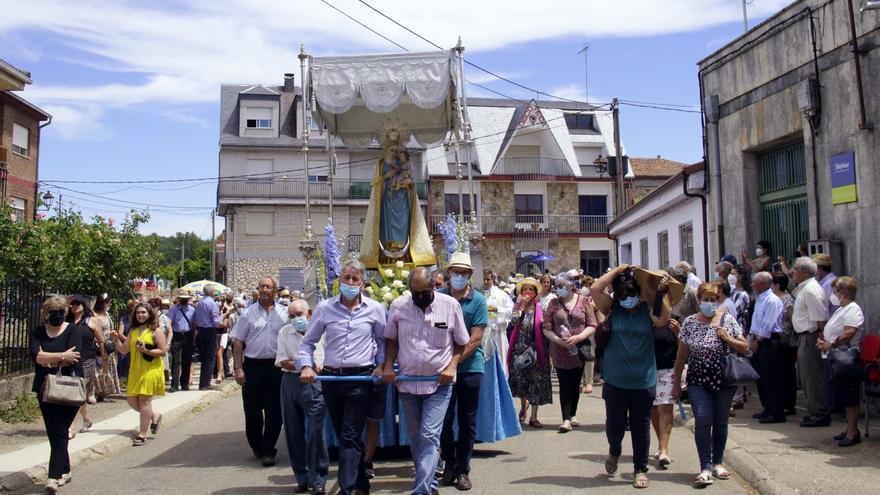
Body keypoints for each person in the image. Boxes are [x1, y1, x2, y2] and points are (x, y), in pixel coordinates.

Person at [298, 260, 387, 495]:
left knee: (349, 435)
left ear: (362, 283)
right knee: (343, 435)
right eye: (346, 277)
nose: (350, 282)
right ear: (339, 281)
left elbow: (382, 341)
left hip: (360, 379)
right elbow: (307, 342)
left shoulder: (375, 309)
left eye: (354, 279)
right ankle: (361, 481)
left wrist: (380, 365)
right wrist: (306, 366)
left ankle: (345, 490)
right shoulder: (325, 308)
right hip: (331, 380)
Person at [384, 266, 469, 495]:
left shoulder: (450, 306)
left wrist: (452, 366)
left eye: (424, 292)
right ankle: (430, 485)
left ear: (434, 286)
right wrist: (387, 366)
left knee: (429, 435)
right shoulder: (399, 306)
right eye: (415, 293)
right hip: (408, 383)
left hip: (438, 385)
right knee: (417, 438)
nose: (419, 297)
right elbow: (391, 340)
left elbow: (462, 342)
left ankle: (420, 490)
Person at [591, 264, 671, 489]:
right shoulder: (612, 309)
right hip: (616, 380)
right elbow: (596, 289)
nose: (628, 298)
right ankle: (614, 452)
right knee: (615, 425)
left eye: (631, 293)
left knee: (641, 426)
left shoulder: (647, 310)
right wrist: (617, 271)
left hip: (643, 380)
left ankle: (640, 468)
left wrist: (656, 288)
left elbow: (663, 319)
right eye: (623, 294)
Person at [672, 283, 748, 487]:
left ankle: (718, 463)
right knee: (703, 418)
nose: (709, 303)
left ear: (718, 300)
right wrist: (676, 383)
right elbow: (681, 355)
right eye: (705, 299)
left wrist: (726, 337)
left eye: (713, 300)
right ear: (699, 300)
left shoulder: (727, 320)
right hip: (698, 379)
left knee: (720, 421)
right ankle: (705, 466)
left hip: (723, 379)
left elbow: (744, 346)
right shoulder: (689, 322)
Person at [437, 253, 489, 491]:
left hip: (469, 368)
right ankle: (448, 462)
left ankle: (463, 469)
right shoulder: (438, 297)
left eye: (464, 273)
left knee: (467, 421)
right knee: (444, 419)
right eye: (455, 272)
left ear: (470, 275)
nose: (459, 276)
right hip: (441, 368)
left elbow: (476, 337)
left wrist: (454, 362)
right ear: (449, 273)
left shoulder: (477, 300)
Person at [231, 276, 288, 466]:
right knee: (252, 410)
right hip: (253, 366)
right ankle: (256, 444)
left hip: (276, 367)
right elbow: (238, 341)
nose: (264, 289)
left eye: (268, 286)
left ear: (275, 291)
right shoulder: (248, 314)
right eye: (261, 286)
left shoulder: (284, 313)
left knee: (275, 411)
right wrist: (238, 368)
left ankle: (268, 449)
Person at [31, 295, 82, 493]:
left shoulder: (72, 330)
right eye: (53, 313)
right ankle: (66, 469)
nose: (57, 316)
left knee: (60, 429)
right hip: (44, 388)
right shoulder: (38, 332)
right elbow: (37, 357)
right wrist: (61, 356)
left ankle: (53, 476)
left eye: (60, 312)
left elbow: (74, 358)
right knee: (53, 431)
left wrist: (49, 360)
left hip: (67, 388)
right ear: (45, 314)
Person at [276, 299, 328, 494]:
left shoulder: (322, 332)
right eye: (292, 315)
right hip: (290, 382)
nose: (296, 318)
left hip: (315, 384)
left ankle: (318, 479)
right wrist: (304, 365)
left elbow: (323, 361)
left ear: (309, 313)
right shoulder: (284, 332)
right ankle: (302, 478)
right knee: (293, 432)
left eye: (299, 314)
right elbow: (282, 361)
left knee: (316, 432)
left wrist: (306, 365)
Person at [542, 272, 597, 433]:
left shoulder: (584, 301)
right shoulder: (553, 303)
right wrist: (557, 340)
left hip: (578, 349)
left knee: (575, 383)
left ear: (572, 286)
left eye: (561, 286)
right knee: (564, 383)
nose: (558, 289)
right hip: (559, 350)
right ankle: (565, 418)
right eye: (557, 286)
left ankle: (573, 413)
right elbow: (546, 327)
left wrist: (579, 337)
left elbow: (592, 324)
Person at [111, 301, 168, 446]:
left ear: (149, 314)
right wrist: (116, 340)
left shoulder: (156, 331)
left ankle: (142, 433)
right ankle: (154, 415)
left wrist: (146, 350)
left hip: (150, 370)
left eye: (143, 312)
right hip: (135, 370)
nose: (140, 315)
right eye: (138, 313)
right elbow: (124, 350)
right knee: (131, 399)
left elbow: (163, 351)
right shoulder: (133, 331)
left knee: (144, 401)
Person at [817, 276, 865, 446]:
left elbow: (849, 333)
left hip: (847, 358)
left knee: (850, 395)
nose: (834, 294)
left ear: (843, 293)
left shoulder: (853, 309)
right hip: (835, 356)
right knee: (843, 395)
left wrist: (832, 343)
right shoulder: (841, 308)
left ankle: (853, 431)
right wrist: (824, 342)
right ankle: (848, 428)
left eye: (836, 291)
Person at [506, 277, 552, 428]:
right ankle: (523, 404)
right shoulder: (517, 308)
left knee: (535, 383)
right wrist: (521, 308)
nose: (527, 292)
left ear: (535, 292)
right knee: (521, 382)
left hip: (536, 350)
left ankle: (534, 416)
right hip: (519, 350)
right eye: (525, 289)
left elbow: (544, 329)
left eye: (530, 289)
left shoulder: (540, 309)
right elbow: (514, 323)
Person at [791, 257, 830, 427]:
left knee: (812, 377)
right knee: (806, 378)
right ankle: (814, 410)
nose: (793, 272)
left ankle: (819, 412)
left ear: (805, 272)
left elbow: (820, 320)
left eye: (796, 269)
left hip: (811, 337)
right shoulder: (805, 289)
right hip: (803, 336)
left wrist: (822, 341)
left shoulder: (811, 290)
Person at [749, 272, 785, 423]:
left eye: (755, 282)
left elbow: (768, 325)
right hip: (757, 339)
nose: (752, 285)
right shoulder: (759, 299)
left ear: (764, 284)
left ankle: (776, 411)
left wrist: (758, 340)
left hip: (768, 341)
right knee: (762, 377)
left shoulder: (772, 300)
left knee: (771, 378)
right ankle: (767, 407)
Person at [67, 295, 103, 435]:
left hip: (87, 360)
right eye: (73, 304)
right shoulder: (67, 321)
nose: (74, 306)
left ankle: (70, 426)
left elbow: (100, 341)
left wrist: (104, 361)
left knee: (76, 390)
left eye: (77, 303)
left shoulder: (91, 321)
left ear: (83, 305)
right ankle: (86, 419)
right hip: (71, 359)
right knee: (76, 392)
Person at [772, 272, 798, 415]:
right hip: (775, 338)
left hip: (786, 339)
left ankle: (789, 403)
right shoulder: (772, 298)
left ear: (777, 285)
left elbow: (791, 318)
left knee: (787, 372)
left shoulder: (787, 299)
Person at [194, 285, 226, 390]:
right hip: (210, 330)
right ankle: (206, 383)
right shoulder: (212, 304)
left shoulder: (199, 303)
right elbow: (216, 321)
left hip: (201, 330)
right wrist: (224, 317)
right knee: (210, 357)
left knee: (204, 357)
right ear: (212, 291)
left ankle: (202, 383)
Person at [92, 293, 120, 398]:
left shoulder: (107, 314)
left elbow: (111, 328)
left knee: (108, 368)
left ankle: (106, 390)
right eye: (108, 302)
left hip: (108, 344)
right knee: (98, 368)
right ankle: (97, 390)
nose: (109, 304)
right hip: (98, 344)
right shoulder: (94, 315)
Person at [167, 291, 196, 392]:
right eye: (182, 298)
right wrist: (169, 339)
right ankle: (174, 385)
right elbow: (169, 323)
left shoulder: (192, 310)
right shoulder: (174, 309)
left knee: (186, 360)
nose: (184, 300)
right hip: (177, 336)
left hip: (187, 336)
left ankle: (184, 384)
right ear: (179, 299)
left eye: (186, 299)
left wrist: (193, 338)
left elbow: (194, 325)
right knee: (175, 361)